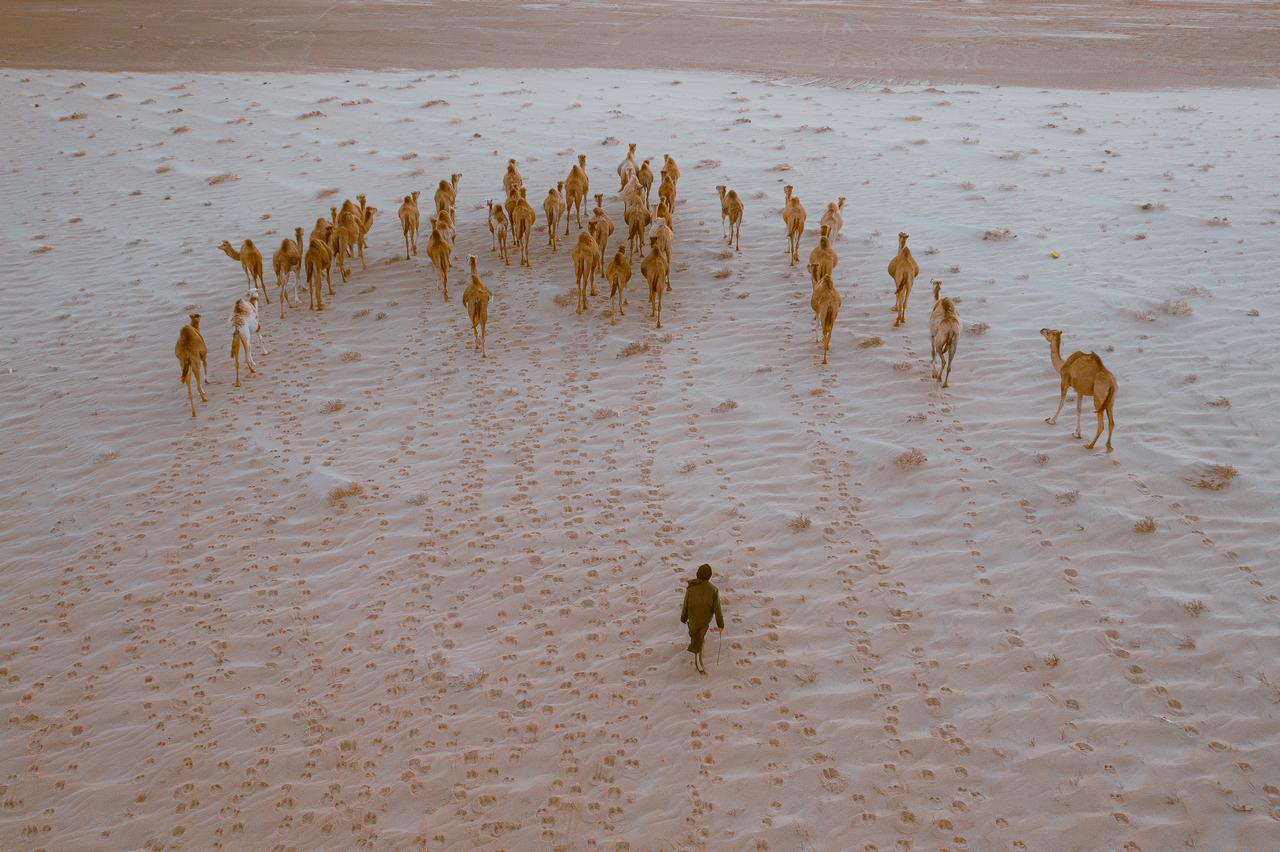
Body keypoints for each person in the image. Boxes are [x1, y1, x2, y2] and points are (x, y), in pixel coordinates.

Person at [680, 563, 724, 674]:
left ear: (697, 574)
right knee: (699, 638)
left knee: (695, 635)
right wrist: (720, 624)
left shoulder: (691, 587)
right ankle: (698, 662)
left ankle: (697, 652)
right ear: (709, 576)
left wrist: (683, 617)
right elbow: (717, 609)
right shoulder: (714, 590)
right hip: (704, 621)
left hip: (693, 619)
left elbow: (686, 604)